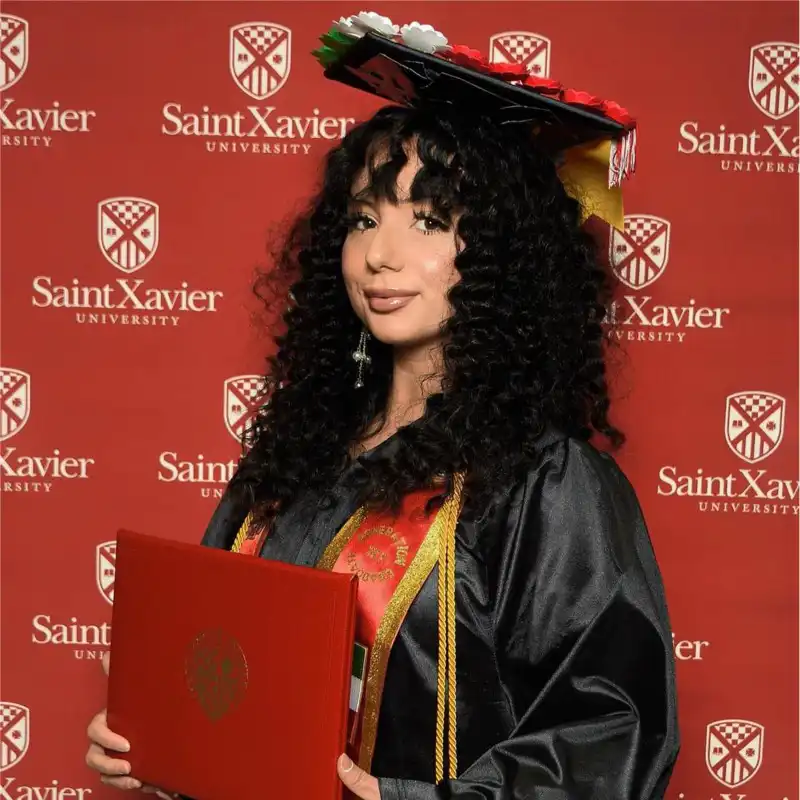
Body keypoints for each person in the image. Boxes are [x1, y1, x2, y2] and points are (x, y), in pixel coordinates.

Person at [85, 12, 679, 800]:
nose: (379, 255)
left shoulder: (544, 483)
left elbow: (608, 737)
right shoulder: (298, 456)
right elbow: (229, 667)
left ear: (502, 254)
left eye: (429, 221)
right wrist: (168, 741)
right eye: (365, 218)